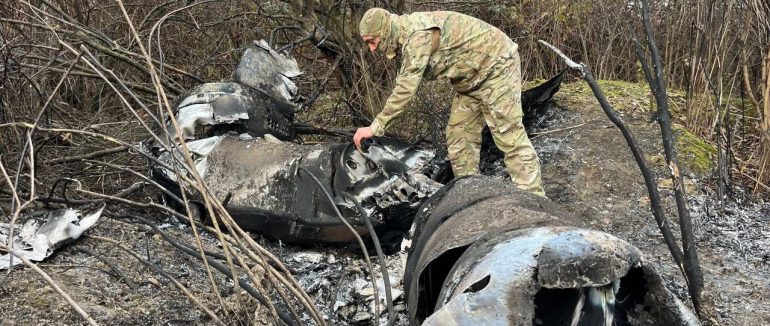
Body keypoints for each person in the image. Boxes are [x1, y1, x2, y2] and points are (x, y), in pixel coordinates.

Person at [353, 8, 545, 196]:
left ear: (384, 31)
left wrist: (375, 127)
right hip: (469, 80)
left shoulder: (417, 35)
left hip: (497, 66)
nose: (372, 48)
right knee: (459, 136)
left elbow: (405, 89)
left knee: (508, 135)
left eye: (372, 41)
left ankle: (534, 202)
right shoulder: (406, 34)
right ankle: (470, 196)